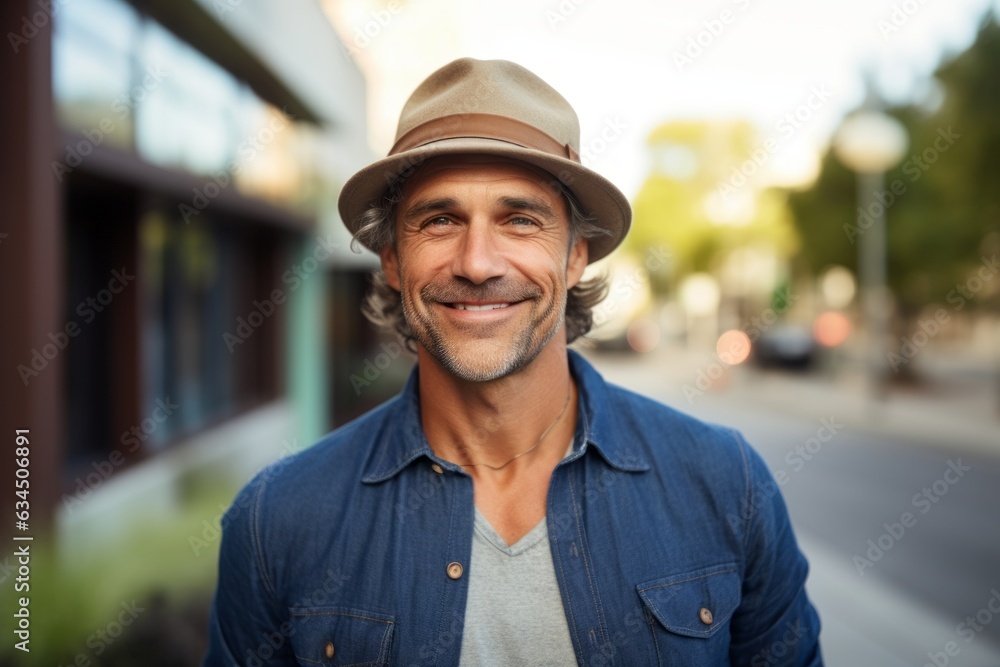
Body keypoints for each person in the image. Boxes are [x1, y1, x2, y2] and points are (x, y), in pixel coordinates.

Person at [203, 57, 822, 666]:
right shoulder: (276, 520)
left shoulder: (725, 483)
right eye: (440, 220)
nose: (477, 263)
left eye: (520, 220)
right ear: (392, 261)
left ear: (576, 257)